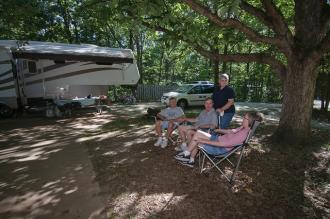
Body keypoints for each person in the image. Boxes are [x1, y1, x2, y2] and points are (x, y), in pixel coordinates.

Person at [175, 111, 263, 167]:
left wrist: (202, 141)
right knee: (196, 133)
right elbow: (230, 131)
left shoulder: (243, 135)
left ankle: (187, 155)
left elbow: (223, 145)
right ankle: (189, 157)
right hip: (218, 139)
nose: (243, 119)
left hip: (219, 148)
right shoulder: (243, 128)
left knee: (197, 139)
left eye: (245, 118)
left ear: (250, 121)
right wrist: (218, 129)